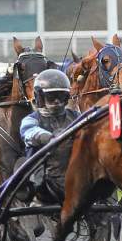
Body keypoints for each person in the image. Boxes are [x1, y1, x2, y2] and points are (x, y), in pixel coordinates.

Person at [18, 69, 79, 204]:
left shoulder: (75, 116)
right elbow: (30, 132)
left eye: (61, 96)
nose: (57, 101)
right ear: (40, 97)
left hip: (74, 169)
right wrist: (49, 137)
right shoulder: (31, 120)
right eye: (52, 97)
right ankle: (36, 199)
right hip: (43, 175)